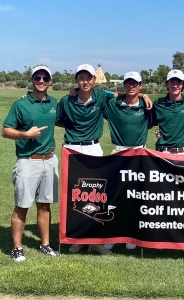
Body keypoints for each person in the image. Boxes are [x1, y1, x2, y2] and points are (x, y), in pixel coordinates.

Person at [56, 63, 115, 255]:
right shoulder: (67, 100)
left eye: (88, 78)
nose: (85, 81)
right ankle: (77, 238)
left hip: (94, 148)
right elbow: (57, 119)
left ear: (94, 80)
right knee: (75, 195)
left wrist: (145, 95)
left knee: (95, 194)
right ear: (76, 80)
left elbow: (123, 98)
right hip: (72, 149)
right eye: (81, 78)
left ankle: (95, 238)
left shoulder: (101, 96)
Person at [2, 65, 60, 261]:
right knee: (22, 205)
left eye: (45, 78)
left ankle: (45, 244)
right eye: (38, 77)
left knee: (45, 205)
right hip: (28, 161)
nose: (41, 81)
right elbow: (6, 130)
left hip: (50, 160)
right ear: (32, 80)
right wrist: (25, 134)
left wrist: (75, 91)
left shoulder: (53, 102)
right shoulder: (21, 104)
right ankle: (17, 248)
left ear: (50, 81)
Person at [102, 71, 151, 251]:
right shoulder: (114, 105)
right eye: (128, 83)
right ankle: (113, 235)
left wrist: (145, 96)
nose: (131, 86)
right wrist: (74, 90)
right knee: (115, 195)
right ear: (124, 85)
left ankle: (132, 234)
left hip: (139, 152)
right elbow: (96, 93)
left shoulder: (146, 107)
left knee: (136, 197)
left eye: (135, 84)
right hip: (118, 151)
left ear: (140, 86)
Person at [150, 69, 184, 154]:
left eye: (178, 82)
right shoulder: (158, 103)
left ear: (183, 84)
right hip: (163, 151)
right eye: (172, 82)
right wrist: (143, 95)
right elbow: (149, 123)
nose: (175, 86)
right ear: (167, 84)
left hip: (183, 152)